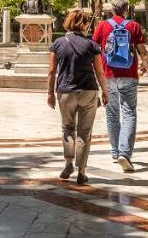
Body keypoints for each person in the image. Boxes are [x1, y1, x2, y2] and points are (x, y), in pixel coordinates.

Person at [48, 9, 110, 185]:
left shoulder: (58, 43)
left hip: (65, 91)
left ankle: (68, 162)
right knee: (85, 133)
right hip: (88, 91)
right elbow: (99, 71)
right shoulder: (92, 45)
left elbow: (52, 71)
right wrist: (105, 92)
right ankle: (81, 171)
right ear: (83, 24)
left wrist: (49, 93)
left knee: (67, 128)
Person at [92, 0, 148, 172]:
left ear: (112, 10)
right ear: (127, 10)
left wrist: (95, 74)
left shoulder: (102, 26)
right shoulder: (134, 26)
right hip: (129, 75)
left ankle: (116, 151)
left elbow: (94, 50)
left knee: (112, 114)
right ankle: (125, 153)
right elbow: (142, 51)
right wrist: (144, 64)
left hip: (107, 75)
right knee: (129, 113)